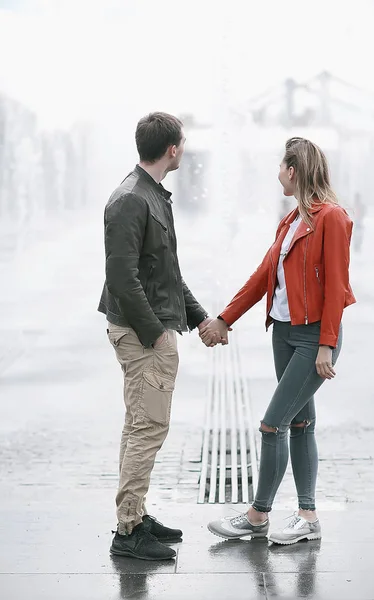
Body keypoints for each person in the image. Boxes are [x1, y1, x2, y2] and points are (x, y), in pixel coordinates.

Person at [201, 137, 356, 545]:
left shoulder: (333, 218)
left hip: (313, 338)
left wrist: (327, 343)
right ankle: (307, 516)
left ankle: (257, 515)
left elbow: (338, 286)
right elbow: (261, 277)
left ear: (293, 170)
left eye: (281, 168)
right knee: (302, 423)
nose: (276, 175)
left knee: (273, 425)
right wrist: (224, 318)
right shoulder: (290, 222)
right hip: (285, 335)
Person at [98, 112, 211, 561]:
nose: (184, 148)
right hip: (144, 335)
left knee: (139, 425)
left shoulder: (150, 196)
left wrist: (199, 317)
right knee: (148, 428)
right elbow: (122, 277)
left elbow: (167, 273)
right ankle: (128, 533)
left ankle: (135, 514)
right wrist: (155, 337)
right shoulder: (131, 199)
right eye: (183, 142)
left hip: (154, 328)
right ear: (172, 149)